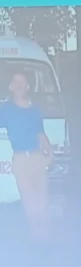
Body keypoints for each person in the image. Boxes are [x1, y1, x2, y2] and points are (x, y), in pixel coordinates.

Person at [0, 70, 53, 242]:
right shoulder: (6, 109)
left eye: (22, 82)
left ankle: (44, 239)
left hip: (37, 158)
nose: (19, 85)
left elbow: (40, 133)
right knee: (29, 202)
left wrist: (49, 153)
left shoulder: (35, 109)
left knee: (42, 200)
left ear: (28, 86)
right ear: (10, 86)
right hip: (20, 160)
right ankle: (36, 239)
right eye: (15, 81)